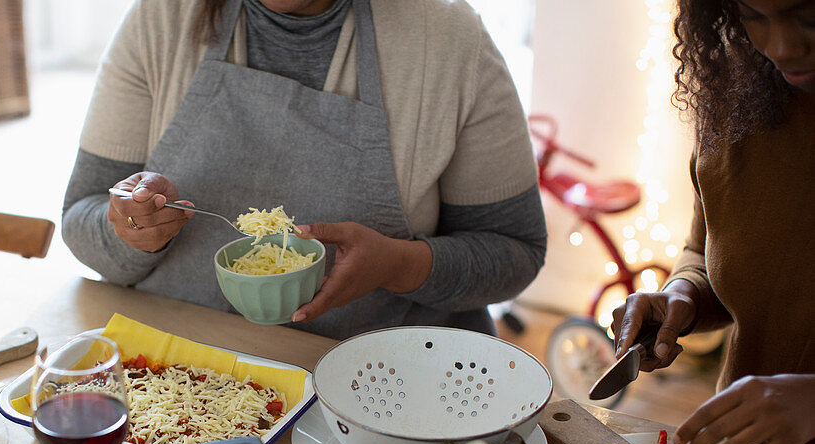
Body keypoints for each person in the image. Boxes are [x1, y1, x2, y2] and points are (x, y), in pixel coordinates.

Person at [61, 0, 547, 341]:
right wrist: (132, 227)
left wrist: (396, 265)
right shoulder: (161, 18)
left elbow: (515, 250)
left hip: (369, 389)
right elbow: (81, 215)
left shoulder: (447, 42)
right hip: (179, 379)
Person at [611, 0, 815, 444]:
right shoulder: (739, 96)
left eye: (808, 15)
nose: (781, 47)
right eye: (755, 15)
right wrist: (682, 294)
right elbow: (704, 251)